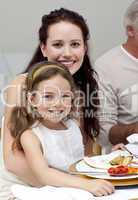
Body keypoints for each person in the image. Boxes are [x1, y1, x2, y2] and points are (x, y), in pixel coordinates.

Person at [3, 8, 100, 189]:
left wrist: (108, 165)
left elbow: (84, 155)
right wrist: (70, 187)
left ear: (85, 48)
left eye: (75, 44)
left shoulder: (79, 91)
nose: (67, 53)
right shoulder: (22, 85)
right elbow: (12, 161)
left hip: (68, 184)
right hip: (25, 185)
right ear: (43, 48)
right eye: (57, 44)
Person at [0, 61, 114, 199]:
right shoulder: (30, 135)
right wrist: (86, 185)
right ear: (32, 99)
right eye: (48, 96)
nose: (58, 103)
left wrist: (111, 159)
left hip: (72, 186)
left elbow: (84, 162)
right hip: (45, 189)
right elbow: (44, 174)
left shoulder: (73, 126)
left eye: (65, 96)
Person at [95, 0, 138, 153]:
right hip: (127, 162)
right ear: (130, 30)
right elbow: (103, 134)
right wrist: (134, 130)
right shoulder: (106, 67)